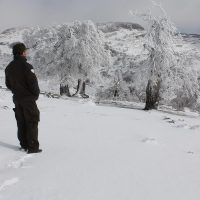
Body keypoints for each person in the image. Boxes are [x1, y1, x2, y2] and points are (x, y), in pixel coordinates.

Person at [5, 43, 42, 154]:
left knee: (21, 122)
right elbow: (33, 84)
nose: (27, 53)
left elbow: (8, 84)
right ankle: (33, 147)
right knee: (32, 121)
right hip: (28, 99)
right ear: (22, 52)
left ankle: (24, 145)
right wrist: (35, 95)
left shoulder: (9, 67)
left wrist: (16, 91)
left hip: (17, 98)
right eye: (25, 51)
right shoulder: (27, 67)